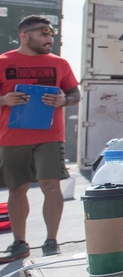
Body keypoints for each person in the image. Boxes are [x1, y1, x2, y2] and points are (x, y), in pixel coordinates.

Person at [0, 15, 80, 262]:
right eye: (44, 34)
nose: (49, 39)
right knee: (17, 189)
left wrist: (63, 101)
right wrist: (3, 100)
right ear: (24, 36)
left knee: (51, 186)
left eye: (52, 35)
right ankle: (19, 243)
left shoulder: (60, 63)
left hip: (50, 136)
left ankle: (51, 242)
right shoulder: (3, 62)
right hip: (12, 137)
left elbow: (75, 93)